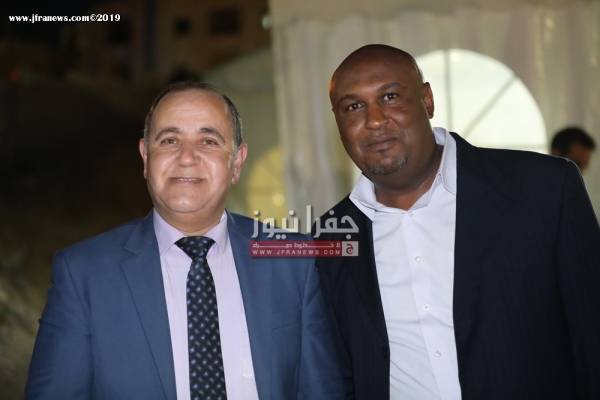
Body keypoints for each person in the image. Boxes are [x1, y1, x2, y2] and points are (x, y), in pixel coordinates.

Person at [316, 44, 600, 400]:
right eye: (353, 107)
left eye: (390, 96)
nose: (374, 120)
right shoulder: (329, 240)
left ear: (427, 100)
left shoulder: (543, 189)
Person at [26, 81, 344, 400]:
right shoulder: (83, 274)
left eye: (208, 141)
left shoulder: (292, 262)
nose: (187, 157)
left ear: (236, 161)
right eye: (169, 140)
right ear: (145, 157)